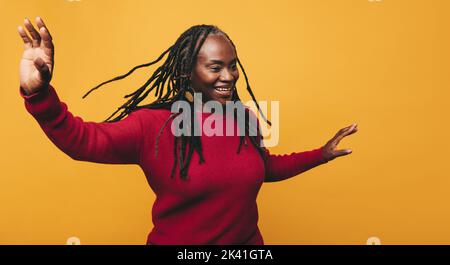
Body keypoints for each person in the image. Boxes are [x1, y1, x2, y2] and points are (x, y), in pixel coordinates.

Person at [17, 17, 358, 245]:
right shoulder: (152, 126)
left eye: (233, 65)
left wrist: (321, 154)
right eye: (215, 67)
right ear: (187, 71)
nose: (229, 76)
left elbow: (262, 167)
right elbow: (84, 141)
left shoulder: (244, 118)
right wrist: (39, 94)